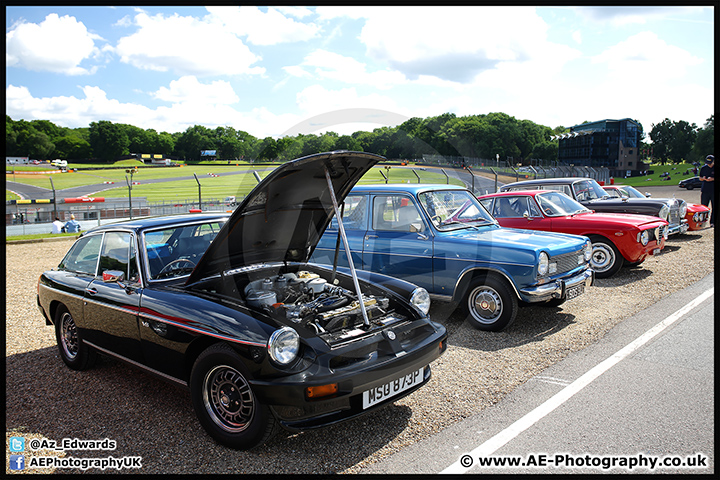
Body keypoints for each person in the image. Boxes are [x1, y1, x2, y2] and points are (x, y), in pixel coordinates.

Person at [699, 154, 714, 227]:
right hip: (705, 190)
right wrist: (703, 179)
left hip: (713, 190)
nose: (709, 164)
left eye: (710, 163)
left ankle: (712, 222)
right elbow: (700, 178)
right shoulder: (703, 168)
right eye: (707, 163)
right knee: (703, 207)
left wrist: (712, 179)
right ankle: (701, 222)